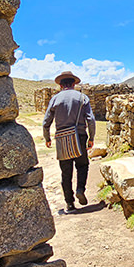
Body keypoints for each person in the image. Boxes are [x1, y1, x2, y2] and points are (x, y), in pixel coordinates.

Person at [43, 71, 96, 212]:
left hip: (62, 139)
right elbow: (91, 120)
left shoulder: (54, 99)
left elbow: (45, 122)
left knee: (66, 172)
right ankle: (80, 189)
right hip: (80, 136)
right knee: (82, 165)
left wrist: (47, 138)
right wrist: (91, 138)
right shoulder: (82, 98)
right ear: (73, 84)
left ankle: (69, 203)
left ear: (61, 85)